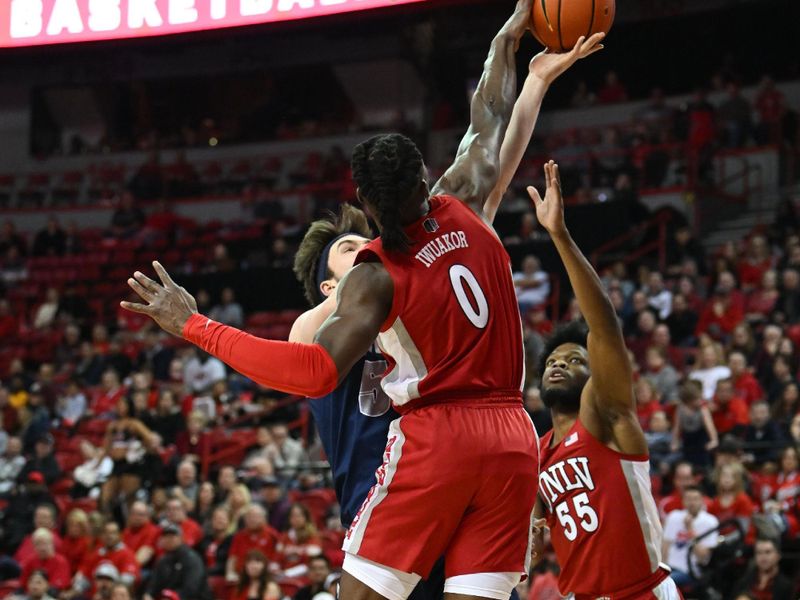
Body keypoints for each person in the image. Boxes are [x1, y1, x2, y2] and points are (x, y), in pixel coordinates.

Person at [121, 5, 605, 598]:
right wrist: (507, 36)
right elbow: (488, 119)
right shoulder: (464, 202)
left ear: (368, 207)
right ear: (425, 180)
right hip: (511, 437)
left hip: (439, 440)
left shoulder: (375, 276)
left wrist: (193, 324)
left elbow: (314, 370)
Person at [530, 161, 678, 598]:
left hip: (642, 591)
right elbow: (532, 535)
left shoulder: (606, 414)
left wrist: (559, 235)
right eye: (553, 360)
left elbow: (605, 328)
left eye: (574, 360)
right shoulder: (535, 452)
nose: (558, 365)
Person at [662, 486, 719, 589]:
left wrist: (690, 530)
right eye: (688, 499)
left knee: (664, 584)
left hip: (690, 571)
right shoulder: (673, 516)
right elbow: (665, 546)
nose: (692, 503)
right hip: (669, 567)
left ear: (702, 501)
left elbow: (703, 557)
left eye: (695, 499)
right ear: (683, 501)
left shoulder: (710, 522)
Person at [143, 524, 211, 600]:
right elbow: (153, 584)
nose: (169, 539)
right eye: (166, 537)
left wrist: (172, 597)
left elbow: (192, 588)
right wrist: (148, 594)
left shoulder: (192, 558)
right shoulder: (163, 560)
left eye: (172, 536)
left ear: (181, 538)